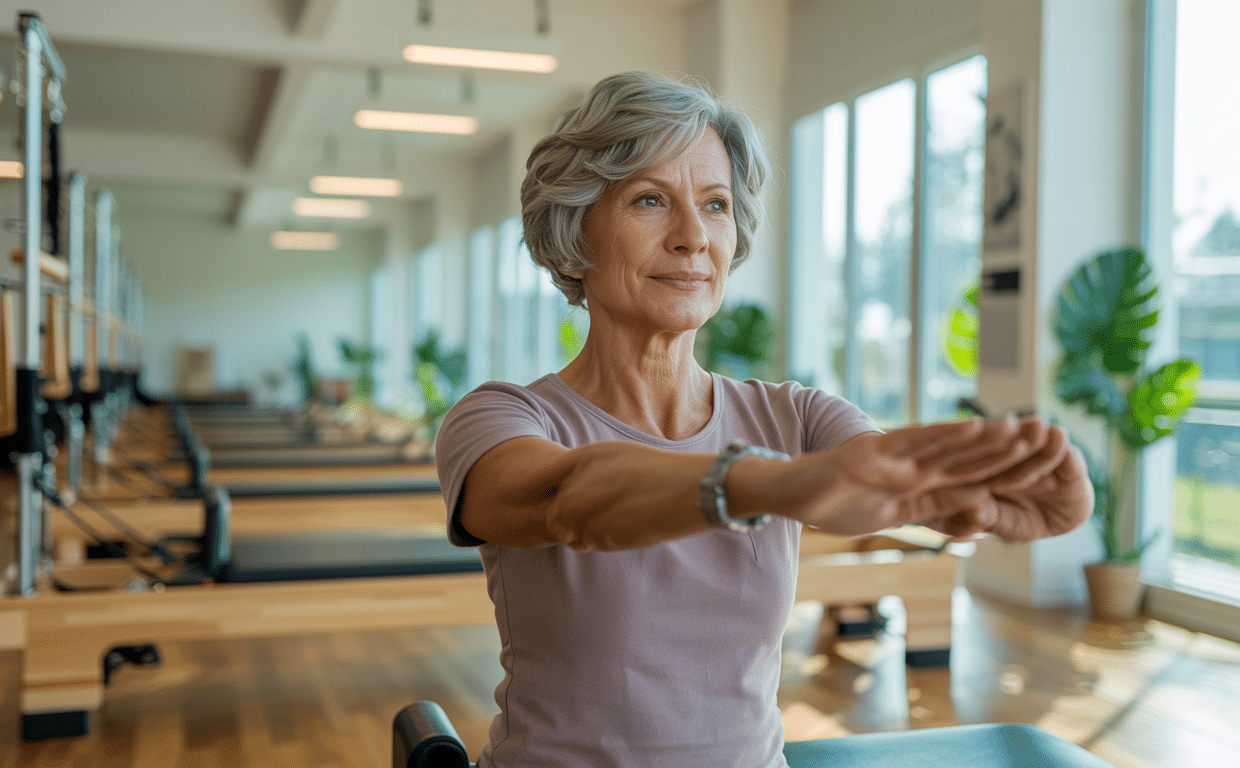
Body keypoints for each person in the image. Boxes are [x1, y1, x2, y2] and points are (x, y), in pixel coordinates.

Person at [435, 70, 1092, 768]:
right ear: (574, 231)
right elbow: (570, 498)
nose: (693, 236)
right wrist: (768, 487)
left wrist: (991, 491)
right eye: (650, 200)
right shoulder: (503, 417)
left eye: (715, 204)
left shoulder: (795, 416)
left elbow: (880, 477)